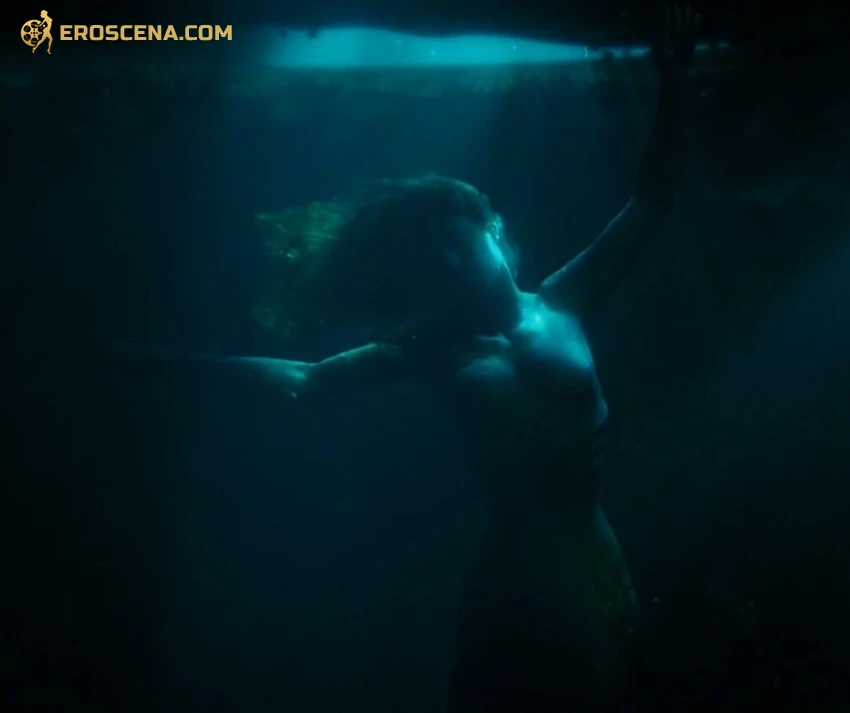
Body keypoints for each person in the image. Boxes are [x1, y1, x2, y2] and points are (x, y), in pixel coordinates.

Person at [116, 7, 700, 712]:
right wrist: (174, 362)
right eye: (432, 259)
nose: (449, 264)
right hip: (523, 568)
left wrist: (674, 78)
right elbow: (306, 379)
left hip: (594, 546)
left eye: (455, 243)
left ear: (495, 232)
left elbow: (652, 201)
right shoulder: (431, 348)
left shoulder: (564, 298)